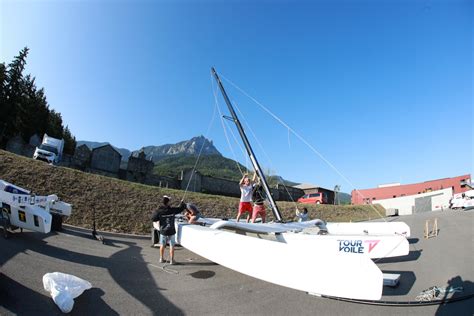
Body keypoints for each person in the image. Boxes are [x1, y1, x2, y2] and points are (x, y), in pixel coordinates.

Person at [151, 195, 186, 265]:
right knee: (171, 246)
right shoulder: (172, 210)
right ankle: (172, 260)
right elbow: (181, 208)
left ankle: (161, 258)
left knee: (162, 245)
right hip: (171, 231)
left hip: (163, 231)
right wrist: (182, 203)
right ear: (168, 202)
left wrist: (160, 218)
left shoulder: (159, 211)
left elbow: (153, 218)